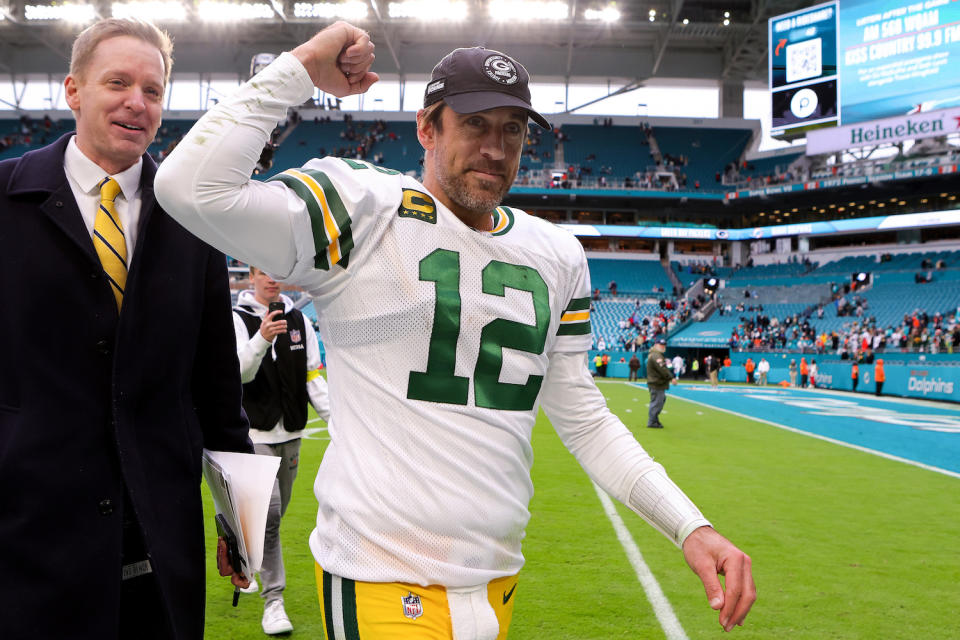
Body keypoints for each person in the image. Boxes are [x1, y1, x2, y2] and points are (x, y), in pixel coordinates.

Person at [155, 22, 755, 637]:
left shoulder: (555, 254)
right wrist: (304, 65)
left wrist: (689, 525)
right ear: (426, 128)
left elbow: (582, 416)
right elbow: (185, 187)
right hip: (380, 574)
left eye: (512, 130)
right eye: (474, 124)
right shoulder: (363, 206)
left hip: (497, 578)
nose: (495, 148)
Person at [0, 18, 252, 639]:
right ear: (73, 91)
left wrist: (238, 521)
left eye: (153, 89)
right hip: (29, 541)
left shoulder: (191, 217)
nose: (137, 102)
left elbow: (218, 390)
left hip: (158, 537)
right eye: (118, 82)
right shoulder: (4, 200)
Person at [234, 266, 331, 634]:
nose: (271, 278)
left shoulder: (298, 321)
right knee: (270, 516)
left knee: (271, 515)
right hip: (253, 432)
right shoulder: (237, 320)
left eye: (276, 271)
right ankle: (274, 601)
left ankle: (239, 540)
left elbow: (313, 376)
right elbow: (237, 374)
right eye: (263, 272)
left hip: (290, 432)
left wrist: (337, 423)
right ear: (253, 276)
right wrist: (260, 338)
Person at [646, 338, 673, 428]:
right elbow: (662, 369)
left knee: (659, 401)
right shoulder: (656, 355)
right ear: (656, 345)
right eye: (661, 345)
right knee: (657, 402)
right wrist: (670, 378)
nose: (663, 347)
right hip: (656, 382)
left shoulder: (655, 354)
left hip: (657, 382)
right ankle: (652, 421)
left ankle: (654, 419)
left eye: (664, 345)